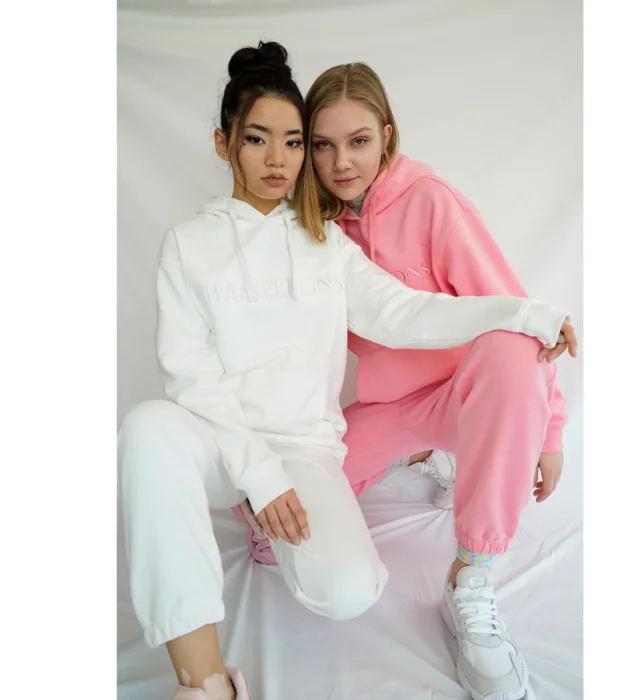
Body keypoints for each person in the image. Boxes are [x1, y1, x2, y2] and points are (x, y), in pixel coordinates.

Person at [119, 41, 575, 700]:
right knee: (148, 428)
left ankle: (461, 561)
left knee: (348, 590)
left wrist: (530, 317)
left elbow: (405, 312)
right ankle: (205, 682)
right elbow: (190, 377)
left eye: (292, 142)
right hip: (221, 440)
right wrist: (260, 477)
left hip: (329, 438)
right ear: (224, 144)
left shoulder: (329, 240)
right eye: (258, 139)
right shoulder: (192, 244)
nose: (280, 159)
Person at [298, 62, 574, 699]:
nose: (342, 162)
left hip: (466, 399)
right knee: (269, 531)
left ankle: (470, 578)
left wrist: (550, 429)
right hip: (392, 408)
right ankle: (417, 458)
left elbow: (514, 310)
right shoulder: (314, 229)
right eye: (323, 144)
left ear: (387, 135)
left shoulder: (429, 201)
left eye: (358, 141)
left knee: (508, 345)